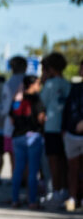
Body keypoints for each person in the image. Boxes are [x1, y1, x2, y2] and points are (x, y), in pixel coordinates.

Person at [9, 75, 45, 208]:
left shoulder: (17, 99)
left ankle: (15, 199)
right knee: (33, 171)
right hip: (33, 136)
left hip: (18, 136)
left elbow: (12, 119)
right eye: (38, 83)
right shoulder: (37, 98)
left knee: (18, 169)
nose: (39, 85)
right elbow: (41, 117)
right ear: (33, 84)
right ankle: (32, 201)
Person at [40, 53, 71, 208]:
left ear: (50, 69)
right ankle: (65, 190)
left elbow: (42, 103)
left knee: (53, 161)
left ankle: (56, 192)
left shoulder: (50, 84)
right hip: (66, 128)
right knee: (65, 162)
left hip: (52, 127)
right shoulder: (68, 84)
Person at [61, 60, 83, 212]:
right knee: (73, 169)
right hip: (72, 134)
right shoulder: (75, 87)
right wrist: (64, 129)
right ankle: (72, 198)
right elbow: (67, 108)